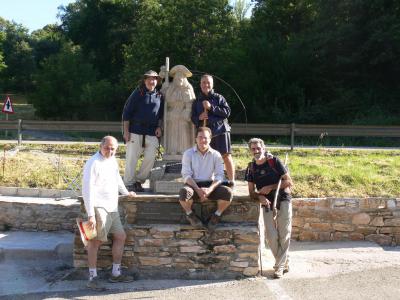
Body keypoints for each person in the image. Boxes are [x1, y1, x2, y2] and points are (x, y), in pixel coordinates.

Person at [82, 136, 136, 290]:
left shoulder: (112, 160)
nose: (110, 151)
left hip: (112, 207)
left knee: (120, 236)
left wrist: (126, 192)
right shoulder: (93, 163)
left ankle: (116, 274)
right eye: (107, 148)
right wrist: (91, 214)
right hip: (99, 207)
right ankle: (92, 278)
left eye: (113, 149)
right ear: (101, 146)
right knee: (95, 242)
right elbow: (87, 189)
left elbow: (117, 178)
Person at [244, 138, 293, 279]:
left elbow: (289, 182)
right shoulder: (251, 168)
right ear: (250, 150)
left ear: (263, 148)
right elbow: (251, 192)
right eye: (253, 148)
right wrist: (259, 197)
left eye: (258, 148)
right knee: (271, 236)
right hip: (266, 203)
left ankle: (279, 267)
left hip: (283, 199)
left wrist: (269, 187)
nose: (256, 150)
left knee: (284, 233)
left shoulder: (274, 161)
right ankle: (284, 262)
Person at [179, 126, 233, 230]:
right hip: (193, 184)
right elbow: (186, 175)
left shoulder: (216, 154)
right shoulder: (188, 154)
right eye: (200, 137)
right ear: (195, 139)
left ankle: (217, 215)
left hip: (210, 185)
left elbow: (219, 176)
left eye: (205, 137)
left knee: (228, 193)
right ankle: (190, 214)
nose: (203, 140)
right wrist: (197, 190)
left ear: (210, 139)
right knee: (183, 193)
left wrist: (209, 189)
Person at [122, 70, 164, 192]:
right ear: (145, 80)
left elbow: (160, 116)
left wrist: (159, 127)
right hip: (135, 130)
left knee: (150, 158)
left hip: (151, 132)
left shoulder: (160, 96)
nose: (152, 81)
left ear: (157, 81)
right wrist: (126, 131)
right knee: (132, 158)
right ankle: (129, 183)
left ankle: (139, 181)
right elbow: (127, 113)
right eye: (149, 79)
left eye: (154, 79)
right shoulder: (137, 94)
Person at [191, 74, 235, 183]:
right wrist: (199, 117)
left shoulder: (219, 98)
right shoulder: (197, 101)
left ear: (212, 84)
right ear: (200, 84)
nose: (206, 85)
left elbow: (227, 112)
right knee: (208, 158)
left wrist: (211, 107)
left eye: (208, 82)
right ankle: (211, 182)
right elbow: (193, 118)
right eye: (203, 83)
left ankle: (232, 182)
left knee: (225, 156)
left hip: (220, 131)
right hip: (206, 135)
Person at [164, 65, 195, 156]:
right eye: (177, 78)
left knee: (183, 131)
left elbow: (190, 102)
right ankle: (172, 150)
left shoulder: (188, 88)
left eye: (181, 78)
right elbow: (167, 101)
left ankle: (184, 150)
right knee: (173, 132)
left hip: (183, 114)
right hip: (173, 113)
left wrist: (187, 111)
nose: (179, 80)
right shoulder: (170, 88)